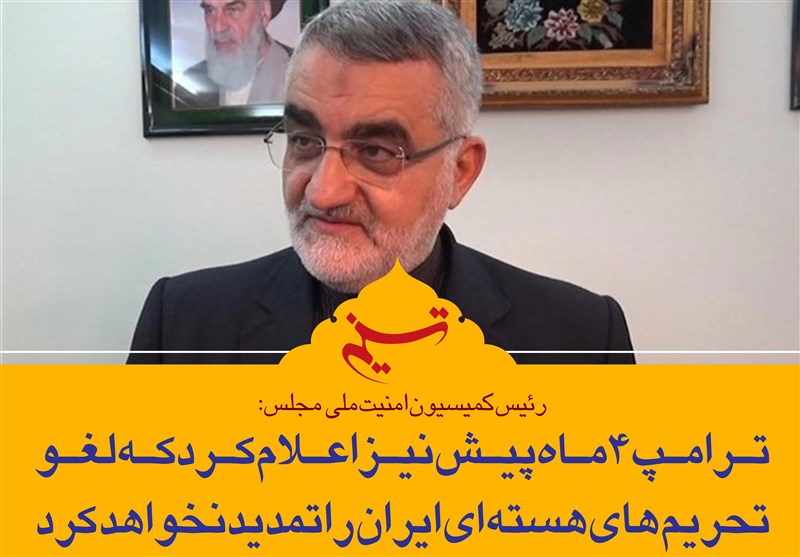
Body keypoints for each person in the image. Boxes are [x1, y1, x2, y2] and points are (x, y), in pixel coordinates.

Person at [129, 0, 635, 364]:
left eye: (375, 152)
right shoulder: (182, 329)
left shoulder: (581, 341)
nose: (323, 192)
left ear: (460, 172)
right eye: (304, 141)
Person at [173, 0, 291, 108]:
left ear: (264, 12)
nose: (218, 28)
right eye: (210, 11)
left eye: (233, 10)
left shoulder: (297, 75)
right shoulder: (187, 88)